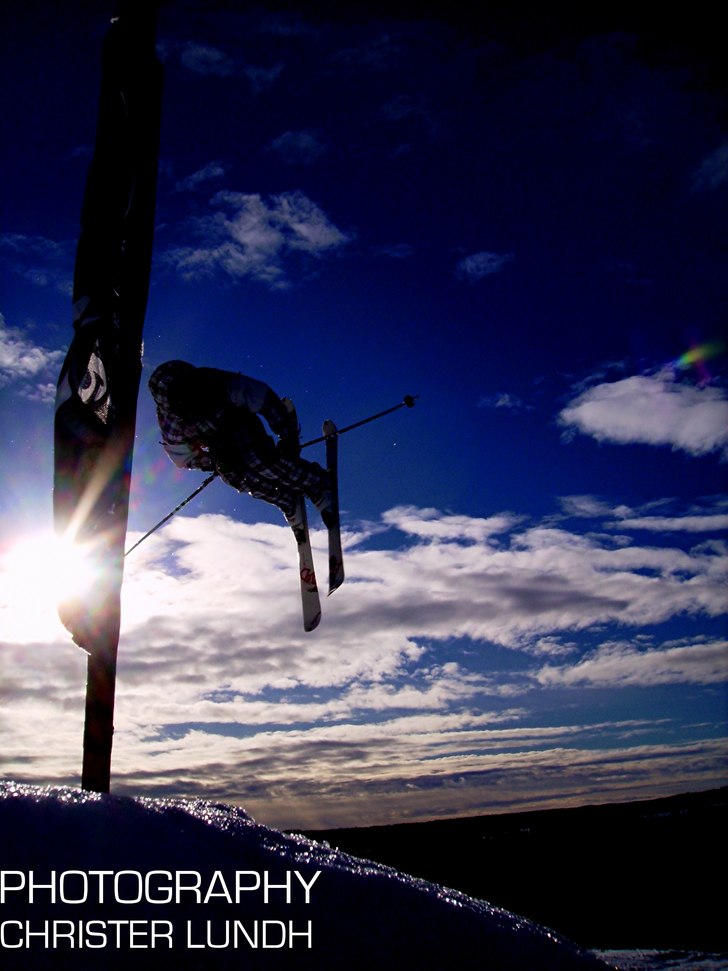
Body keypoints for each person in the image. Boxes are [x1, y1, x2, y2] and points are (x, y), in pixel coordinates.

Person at [148, 360, 331, 522]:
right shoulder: (172, 424)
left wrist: (287, 435)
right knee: (236, 476)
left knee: (258, 460)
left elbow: (264, 399)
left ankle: (316, 483)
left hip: (239, 423)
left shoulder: (218, 383)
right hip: (217, 444)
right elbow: (184, 458)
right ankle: (286, 499)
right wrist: (214, 462)